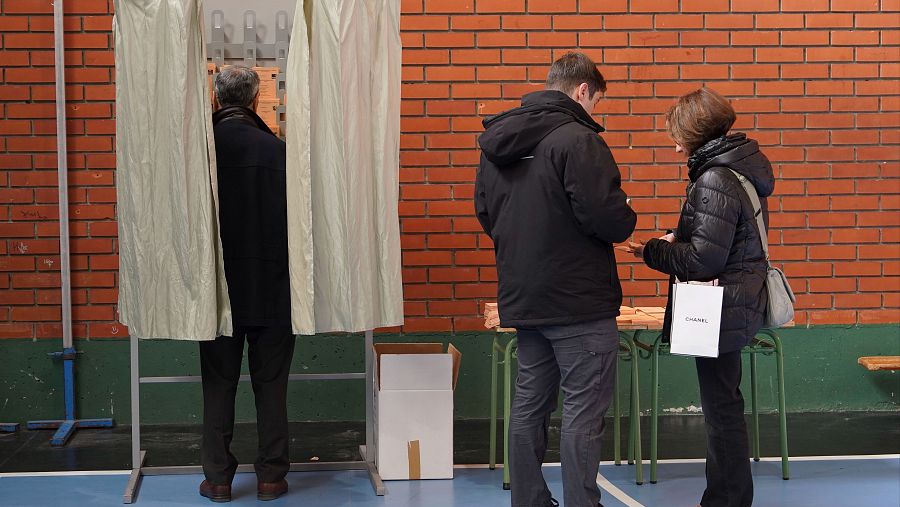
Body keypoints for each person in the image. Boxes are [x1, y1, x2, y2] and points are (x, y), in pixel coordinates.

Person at [475, 52, 636, 507]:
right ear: (582, 90)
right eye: (597, 101)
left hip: (524, 297)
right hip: (579, 302)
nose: (596, 111)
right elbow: (606, 217)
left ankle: (528, 501)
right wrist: (626, 216)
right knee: (583, 415)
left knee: (529, 407)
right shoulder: (578, 140)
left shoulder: (497, 142)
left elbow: (487, 214)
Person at [628, 87, 775, 507]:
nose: (674, 144)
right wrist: (679, 236)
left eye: (677, 134)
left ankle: (726, 500)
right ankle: (725, 497)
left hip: (719, 308)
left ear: (695, 132)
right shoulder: (738, 169)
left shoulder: (713, 177)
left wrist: (653, 249)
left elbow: (703, 261)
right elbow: (722, 240)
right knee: (724, 405)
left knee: (721, 412)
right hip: (737, 301)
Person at [198, 65, 294, 503]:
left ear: (216, 100)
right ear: (256, 101)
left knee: (218, 385)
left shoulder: (200, 154)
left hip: (218, 290)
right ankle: (271, 478)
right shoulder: (279, 152)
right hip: (272, 289)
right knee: (271, 385)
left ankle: (218, 479)